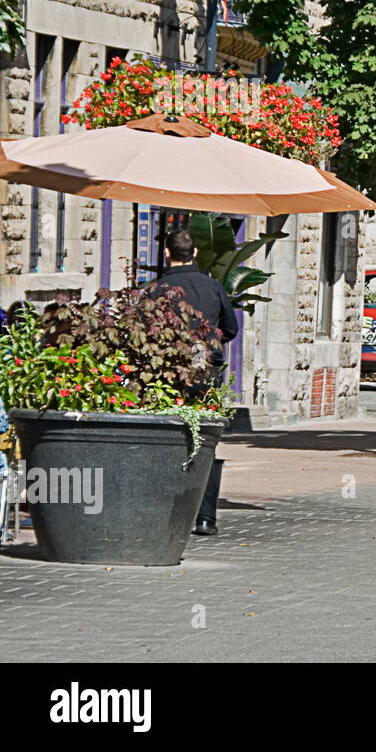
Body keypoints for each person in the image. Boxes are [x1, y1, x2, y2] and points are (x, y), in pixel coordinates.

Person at [147, 228, 238, 536]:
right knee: (205, 437)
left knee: (164, 434)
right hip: (206, 369)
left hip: (167, 371)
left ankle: (164, 508)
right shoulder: (213, 287)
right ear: (195, 253)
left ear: (167, 254)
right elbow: (231, 328)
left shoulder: (155, 289)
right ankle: (204, 516)